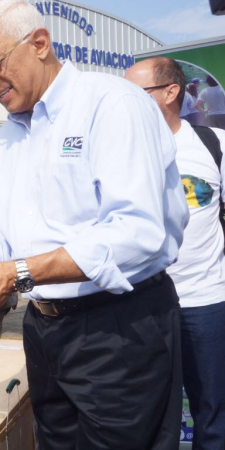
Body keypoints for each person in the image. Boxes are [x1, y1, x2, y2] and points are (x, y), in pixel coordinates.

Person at [0, 1, 189, 449]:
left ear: (39, 44)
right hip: (42, 328)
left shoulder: (110, 103)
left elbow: (136, 230)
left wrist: (14, 274)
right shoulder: (6, 138)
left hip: (119, 326)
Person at [126, 57, 225, 450]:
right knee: (146, 414)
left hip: (204, 302)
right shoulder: (117, 152)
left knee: (212, 412)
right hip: (139, 307)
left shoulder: (212, 144)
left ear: (170, 93)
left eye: (135, 93)